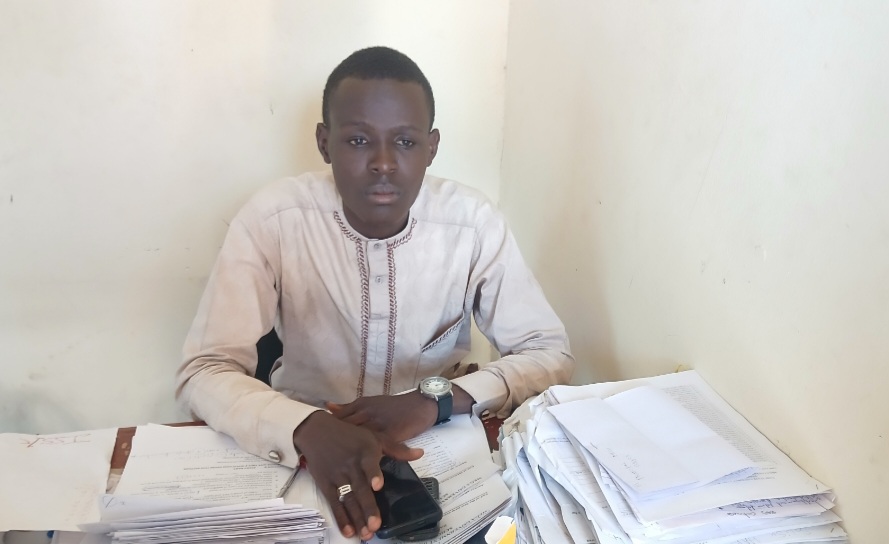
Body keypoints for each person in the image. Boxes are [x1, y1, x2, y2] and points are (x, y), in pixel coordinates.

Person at [176, 46, 573, 540]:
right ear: (325, 143)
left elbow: (548, 352)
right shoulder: (273, 220)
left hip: (439, 447)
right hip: (304, 444)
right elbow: (204, 369)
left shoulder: (472, 224)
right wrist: (305, 427)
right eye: (359, 140)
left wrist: (437, 401)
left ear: (431, 148)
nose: (384, 164)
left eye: (405, 142)